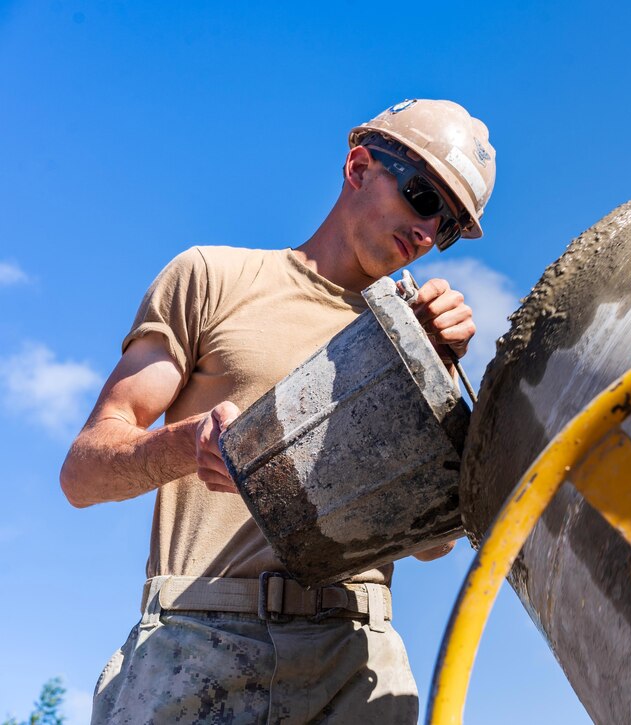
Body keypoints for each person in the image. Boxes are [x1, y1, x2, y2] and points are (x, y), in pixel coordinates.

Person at [60, 98, 496, 723]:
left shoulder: (415, 339)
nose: (428, 234)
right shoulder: (213, 278)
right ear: (359, 168)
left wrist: (433, 381)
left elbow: (430, 547)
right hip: (201, 644)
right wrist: (187, 446)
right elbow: (82, 473)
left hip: (358, 667)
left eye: (448, 226)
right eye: (424, 198)